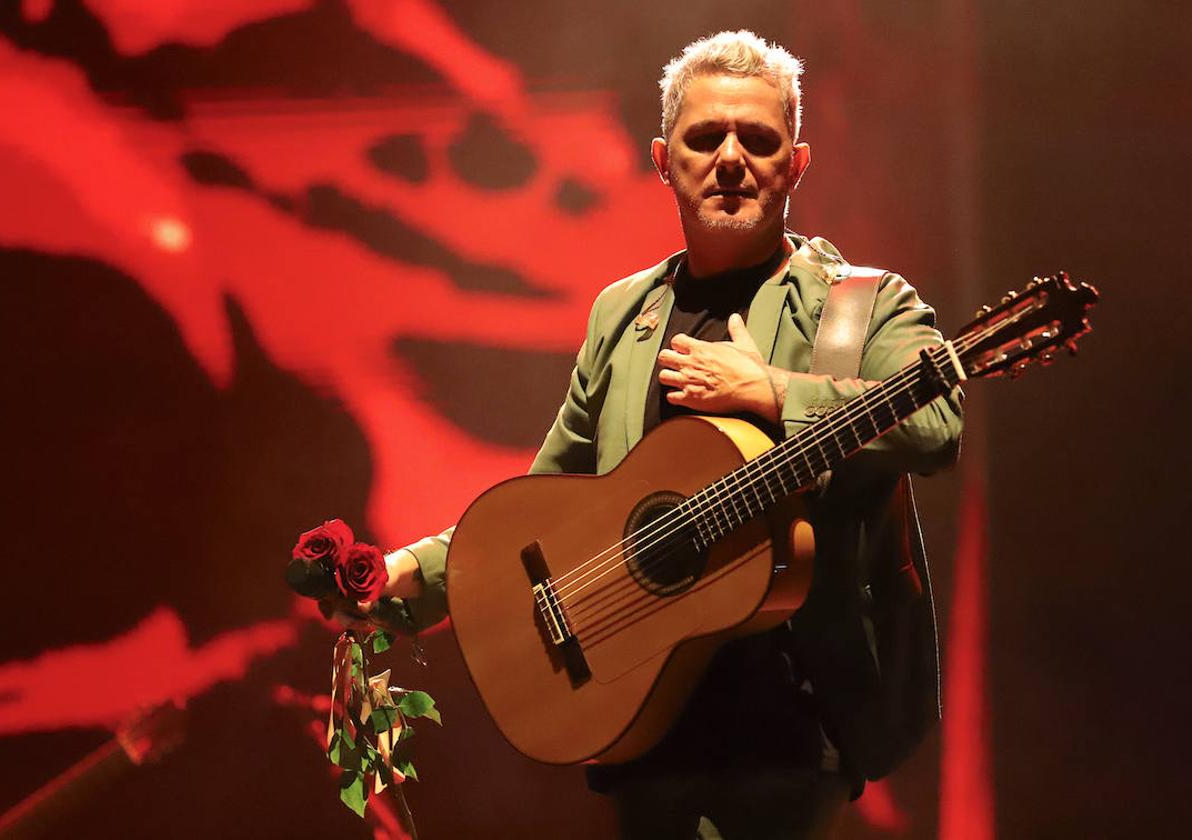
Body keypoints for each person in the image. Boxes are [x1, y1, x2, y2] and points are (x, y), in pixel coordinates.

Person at [329, 30, 963, 839]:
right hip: (639, 715)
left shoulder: (863, 308)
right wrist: (408, 573)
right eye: (704, 138)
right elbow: (543, 509)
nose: (730, 159)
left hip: (793, 731)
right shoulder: (624, 314)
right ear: (663, 161)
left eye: (758, 139)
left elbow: (937, 422)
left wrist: (771, 391)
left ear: (797, 164)